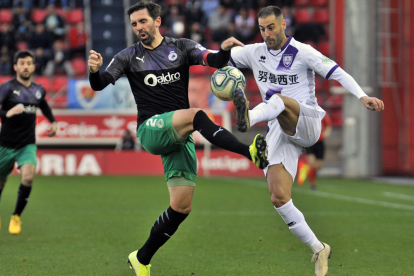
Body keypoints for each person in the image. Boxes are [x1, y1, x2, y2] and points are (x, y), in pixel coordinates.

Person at [87, 1, 268, 275]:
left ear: (157, 21)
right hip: (151, 129)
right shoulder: (127, 56)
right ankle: (249, 152)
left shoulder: (181, 47)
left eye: (143, 22)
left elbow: (214, 61)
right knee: (195, 115)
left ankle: (142, 258)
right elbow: (99, 84)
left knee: (181, 207)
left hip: (178, 134)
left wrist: (225, 50)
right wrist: (93, 70)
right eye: (134, 24)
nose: (139, 28)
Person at [229, 6, 384, 276]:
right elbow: (212, 55)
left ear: (284, 24)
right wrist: (222, 47)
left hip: (308, 121)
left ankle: (248, 117)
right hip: (280, 128)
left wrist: (361, 96)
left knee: (276, 100)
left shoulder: (303, 51)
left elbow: (336, 72)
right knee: (279, 197)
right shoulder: (254, 52)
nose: (266, 34)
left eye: (271, 27)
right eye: (262, 29)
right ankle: (319, 248)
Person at [0, 50, 58, 235]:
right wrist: (6, 114)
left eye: (29, 63)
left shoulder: (38, 89)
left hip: (27, 144)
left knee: (28, 177)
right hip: (5, 144)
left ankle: (16, 216)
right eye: (22, 63)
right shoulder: (7, 88)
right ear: (16, 67)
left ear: (33, 66)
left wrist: (53, 121)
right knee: (0, 184)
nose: (26, 66)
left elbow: (44, 106)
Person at [297, 111, 332, 190]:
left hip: (320, 143)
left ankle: (304, 167)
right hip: (310, 142)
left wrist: (327, 132)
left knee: (318, 166)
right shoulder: (306, 115)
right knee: (312, 163)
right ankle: (313, 184)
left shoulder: (323, 114)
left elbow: (328, 125)